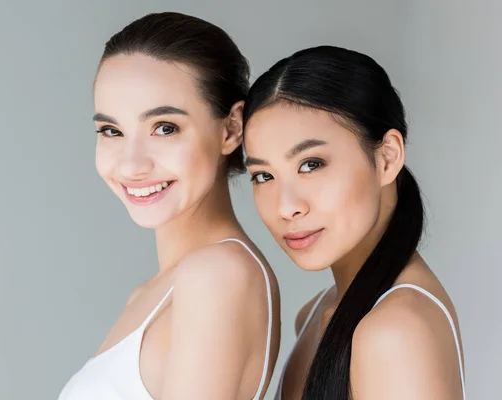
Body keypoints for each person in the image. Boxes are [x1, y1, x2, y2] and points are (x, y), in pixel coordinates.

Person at [59, 12, 280, 400]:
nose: (131, 164)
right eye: (111, 131)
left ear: (230, 129)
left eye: (165, 128)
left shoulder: (217, 274)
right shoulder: (154, 291)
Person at [242, 45, 465, 400]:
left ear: (388, 157)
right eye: (263, 176)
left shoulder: (395, 331)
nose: (286, 207)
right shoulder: (316, 313)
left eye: (311, 164)